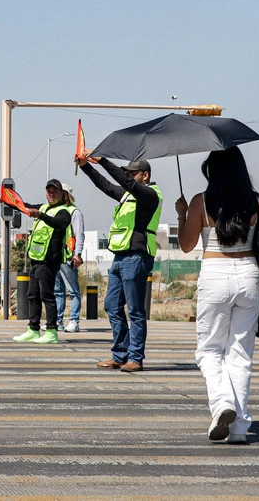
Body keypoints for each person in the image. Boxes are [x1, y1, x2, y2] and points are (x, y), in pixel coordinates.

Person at [175, 147, 259, 445]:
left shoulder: (202, 201)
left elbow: (187, 245)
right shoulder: (258, 202)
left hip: (215, 273)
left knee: (208, 350)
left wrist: (182, 215)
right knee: (240, 354)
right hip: (249, 275)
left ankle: (221, 403)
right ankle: (239, 429)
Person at [75, 154, 163, 372]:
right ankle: (120, 355)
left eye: (133, 173)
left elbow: (126, 183)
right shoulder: (127, 196)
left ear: (145, 175)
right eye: (128, 173)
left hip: (137, 256)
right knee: (111, 305)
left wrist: (103, 160)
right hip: (120, 256)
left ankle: (135, 358)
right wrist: (86, 167)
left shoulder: (150, 195)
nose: (129, 177)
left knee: (135, 310)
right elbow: (105, 185)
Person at [14, 179, 73, 344]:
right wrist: (8, 199)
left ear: (62, 194)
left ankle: (52, 331)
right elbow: (24, 206)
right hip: (36, 259)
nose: (51, 194)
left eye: (55, 191)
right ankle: (33, 329)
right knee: (32, 294)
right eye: (49, 191)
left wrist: (41, 215)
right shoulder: (43, 206)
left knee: (47, 295)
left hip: (49, 261)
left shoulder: (64, 211)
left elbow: (58, 223)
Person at [53, 185, 85, 333]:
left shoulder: (75, 212)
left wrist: (77, 254)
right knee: (57, 291)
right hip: (56, 257)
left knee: (73, 290)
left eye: (59, 192)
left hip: (68, 256)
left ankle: (74, 321)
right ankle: (58, 321)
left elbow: (79, 234)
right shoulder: (58, 211)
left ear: (65, 194)